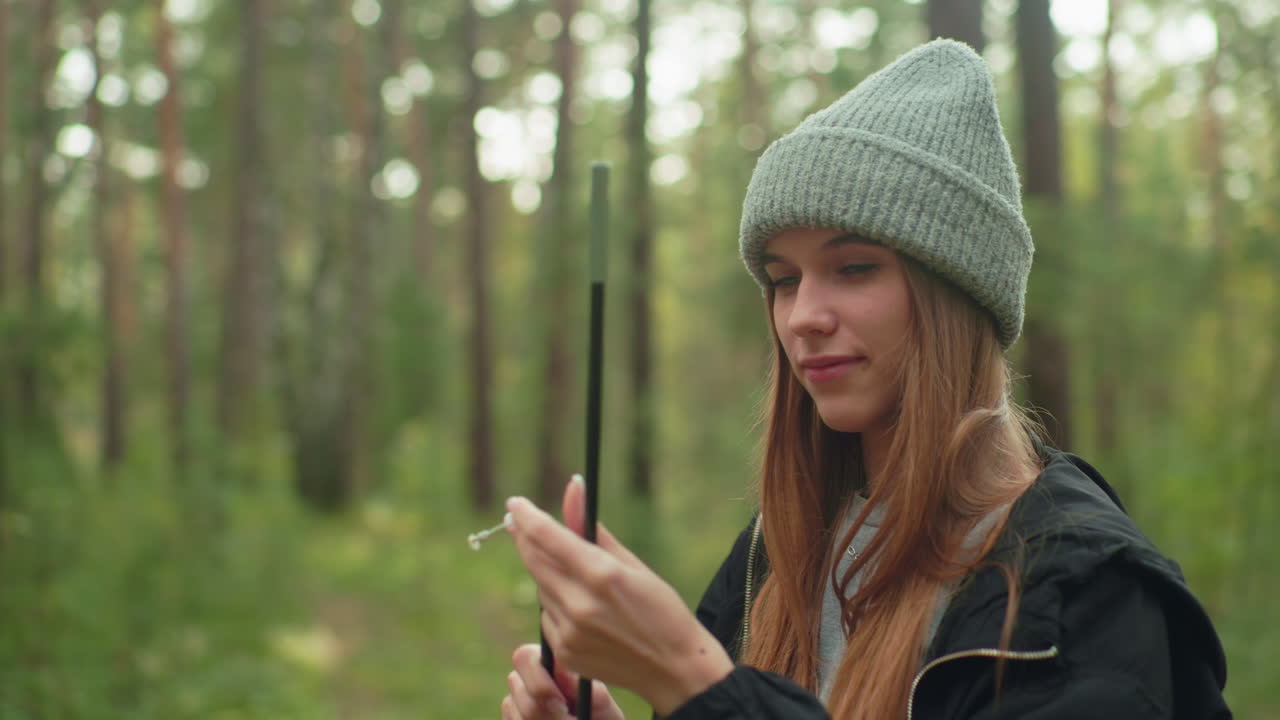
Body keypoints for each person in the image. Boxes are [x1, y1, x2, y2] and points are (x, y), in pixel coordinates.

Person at [499, 39, 1231, 720]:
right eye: (785, 281)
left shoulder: (1085, 593)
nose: (802, 318)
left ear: (955, 295)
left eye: (854, 268)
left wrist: (695, 685)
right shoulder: (771, 558)